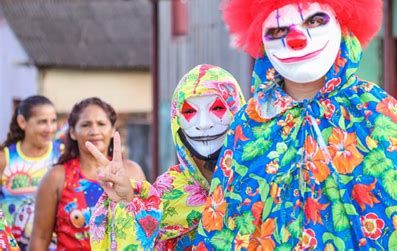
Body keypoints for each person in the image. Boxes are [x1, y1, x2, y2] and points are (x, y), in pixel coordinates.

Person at [193, 0, 397, 250]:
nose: (296, 38)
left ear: (341, 25)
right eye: (279, 29)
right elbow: (226, 223)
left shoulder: (376, 112)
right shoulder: (251, 121)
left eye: (314, 21)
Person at [88, 64, 245, 250]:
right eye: (189, 112)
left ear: (237, 112)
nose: (203, 124)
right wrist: (126, 201)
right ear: (175, 121)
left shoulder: (263, 180)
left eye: (217, 108)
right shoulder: (168, 191)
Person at [29, 97, 146, 250]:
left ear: (112, 131)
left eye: (101, 124)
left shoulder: (132, 172)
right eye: (85, 124)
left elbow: (147, 226)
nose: (94, 131)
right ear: (72, 132)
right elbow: (40, 237)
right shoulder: (56, 177)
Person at [0, 95, 62, 250]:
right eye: (42, 122)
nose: (50, 129)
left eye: (53, 121)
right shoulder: (5, 158)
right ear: (22, 122)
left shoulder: (62, 155)